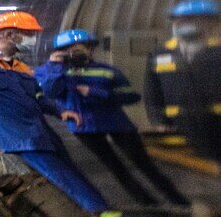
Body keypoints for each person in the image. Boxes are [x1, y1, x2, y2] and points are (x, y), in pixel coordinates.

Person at [0, 11, 115, 217]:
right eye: (29, 34)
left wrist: (62, 111)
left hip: (44, 136)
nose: (33, 40)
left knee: (72, 178)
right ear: (9, 34)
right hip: (19, 142)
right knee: (67, 183)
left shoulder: (21, 67)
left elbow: (39, 97)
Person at [37, 29, 187, 206]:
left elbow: (131, 96)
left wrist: (96, 92)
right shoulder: (50, 72)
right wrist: (55, 66)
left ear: (91, 49)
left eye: (81, 47)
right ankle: (151, 206)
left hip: (117, 123)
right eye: (69, 48)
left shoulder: (107, 71)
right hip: (84, 127)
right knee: (117, 168)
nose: (76, 52)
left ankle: (180, 203)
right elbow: (51, 91)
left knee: (145, 165)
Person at [144, 0, 220, 160]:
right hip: (181, 123)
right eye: (178, 19)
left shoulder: (218, 51)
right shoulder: (161, 54)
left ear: (209, 22)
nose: (182, 23)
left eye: (190, 19)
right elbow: (152, 91)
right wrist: (158, 120)